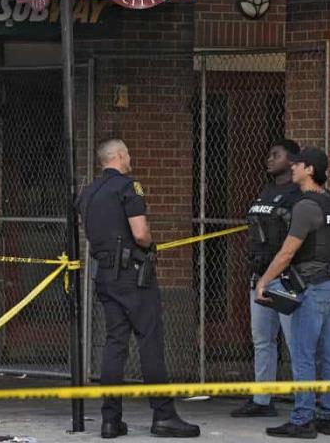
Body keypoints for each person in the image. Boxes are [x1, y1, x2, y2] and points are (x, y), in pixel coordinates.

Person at [76, 139, 200, 439]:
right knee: (150, 341)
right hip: (133, 276)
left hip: (104, 275)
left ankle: (110, 420)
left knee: (114, 344)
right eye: (128, 153)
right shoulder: (130, 187)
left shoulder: (88, 192)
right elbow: (141, 234)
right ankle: (163, 415)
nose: (130, 158)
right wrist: (151, 246)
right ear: (119, 156)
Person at [255, 147, 330, 439]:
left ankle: (303, 419)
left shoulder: (306, 206)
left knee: (304, 355)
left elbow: (287, 252)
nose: (292, 168)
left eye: (298, 164)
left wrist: (263, 282)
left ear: (310, 170)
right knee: (328, 355)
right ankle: (329, 417)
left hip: (313, 287)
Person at [231, 139, 301, 418]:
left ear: (292, 160)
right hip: (260, 276)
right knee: (262, 341)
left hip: (285, 278)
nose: (269, 159)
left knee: (296, 343)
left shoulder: (298, 195)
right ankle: (262, 399)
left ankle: (304, 401)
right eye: (269, 154)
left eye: (276, 155)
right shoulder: (267, 191)